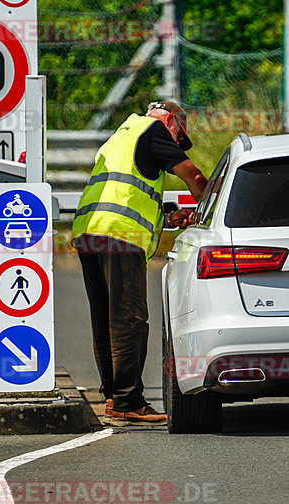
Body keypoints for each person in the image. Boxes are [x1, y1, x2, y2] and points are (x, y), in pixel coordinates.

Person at [71, 101, 207, 426]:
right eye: (180, 137)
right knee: (129, 319)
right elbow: (194, 175)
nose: (177, 145)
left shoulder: (122, 133)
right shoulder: (155, 129)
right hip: (121, 235)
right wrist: (210, 214)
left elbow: (129, 193)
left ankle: (111, 397)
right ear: (171, 120)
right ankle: (128, 402)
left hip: (90, 232)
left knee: (105, 318)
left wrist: (166, 215)